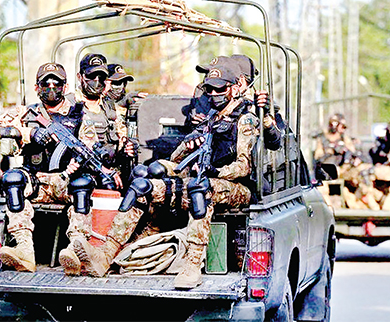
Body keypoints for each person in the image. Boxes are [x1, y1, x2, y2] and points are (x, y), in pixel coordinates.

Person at [72, 64, 260, 290]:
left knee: (200, 188)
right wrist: (188, 148)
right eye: (209, 90)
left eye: (220, 90)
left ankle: (192, 263)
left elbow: (244, 166)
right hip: (200, 180)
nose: (213, 94)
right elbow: (177, 157)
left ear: (233, 89)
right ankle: (105, 253)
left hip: (235, 188)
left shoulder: (245, 119)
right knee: (141, 186)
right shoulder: (210, 118)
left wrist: (217, 172)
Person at [0, 63, 97, 273]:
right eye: (45, 83)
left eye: (57, 83)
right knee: (13, 180)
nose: (51, 87)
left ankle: (77, 249)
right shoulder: (26, 113)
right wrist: (28, 134)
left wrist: (77, 162)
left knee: (83, 183)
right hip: (36, 182)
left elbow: (90, 146)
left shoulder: (78, 114)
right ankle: (24, 250)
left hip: (65, 182)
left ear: (65, 86)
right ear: (36, 87)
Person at [184, 55, 283, 150]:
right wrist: (195, 129)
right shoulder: (209, 101)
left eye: (219, 83)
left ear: (239, 83)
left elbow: (274, 143)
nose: (211, 81)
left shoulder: (254, 107)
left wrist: (264, 116)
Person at [76, 53, 133, 190]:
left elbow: (121, 141)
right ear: (80, 77)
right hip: (79, 176)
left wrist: (126, 150)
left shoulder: (112, 109)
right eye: (91, 76)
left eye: (101, 77)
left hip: (110, 174)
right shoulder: (69, 105)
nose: (96, 80)